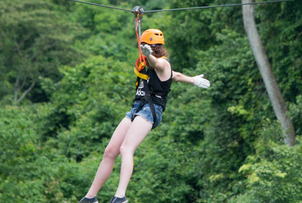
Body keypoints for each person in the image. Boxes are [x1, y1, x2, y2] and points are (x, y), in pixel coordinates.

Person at [78, 29, 210, 203]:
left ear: (154, 48)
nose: (142, 51)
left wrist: (150, 57)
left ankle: (120, 196)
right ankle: (90, 197)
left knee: (126, 149)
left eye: (146, 48)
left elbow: (160, 66)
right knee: (110, 151)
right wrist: (193, 80)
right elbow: (175, 76)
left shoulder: (161, 63)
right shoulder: (149, 66)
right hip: (136, 109)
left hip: (151, 110)